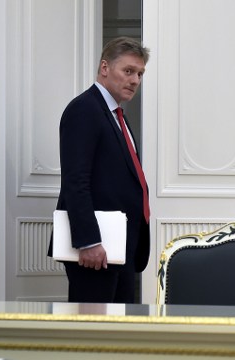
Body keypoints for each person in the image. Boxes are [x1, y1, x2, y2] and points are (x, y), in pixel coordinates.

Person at [50, 37, 151, 304]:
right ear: (105, 68)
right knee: (92, 335)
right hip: (97, 250)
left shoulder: (116, 114)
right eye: (128, 71)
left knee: (119, 333)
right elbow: (76, 181)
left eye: (139, 74)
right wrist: (88, 242)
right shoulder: (84, 109)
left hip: (120, 245)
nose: (135, 80)